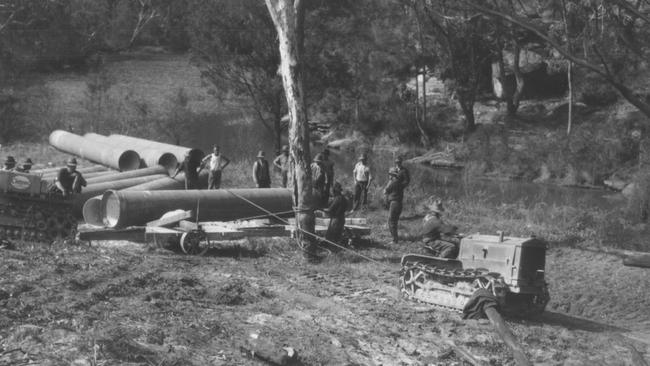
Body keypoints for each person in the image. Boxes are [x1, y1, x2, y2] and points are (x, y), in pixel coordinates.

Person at [319, 182, 348, 247]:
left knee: (330, 237)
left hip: (336, 220)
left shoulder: (337, 198)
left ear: (335, 190)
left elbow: (330, 210)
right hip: (342, 219)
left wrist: (320, 209)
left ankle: (332, 250)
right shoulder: (344, 199)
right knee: (337, 237)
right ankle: (337, 249)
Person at [383, 167, 405, 244]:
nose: (389, 176)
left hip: (394, 204)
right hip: (398, 204)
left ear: (392, 175)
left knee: (391, 221)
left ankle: (394, 240)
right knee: (394, 221)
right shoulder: (399, 182)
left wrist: (389, 182)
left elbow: (385, 191)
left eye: (390, 174)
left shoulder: (393, 183)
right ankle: (395, 238)